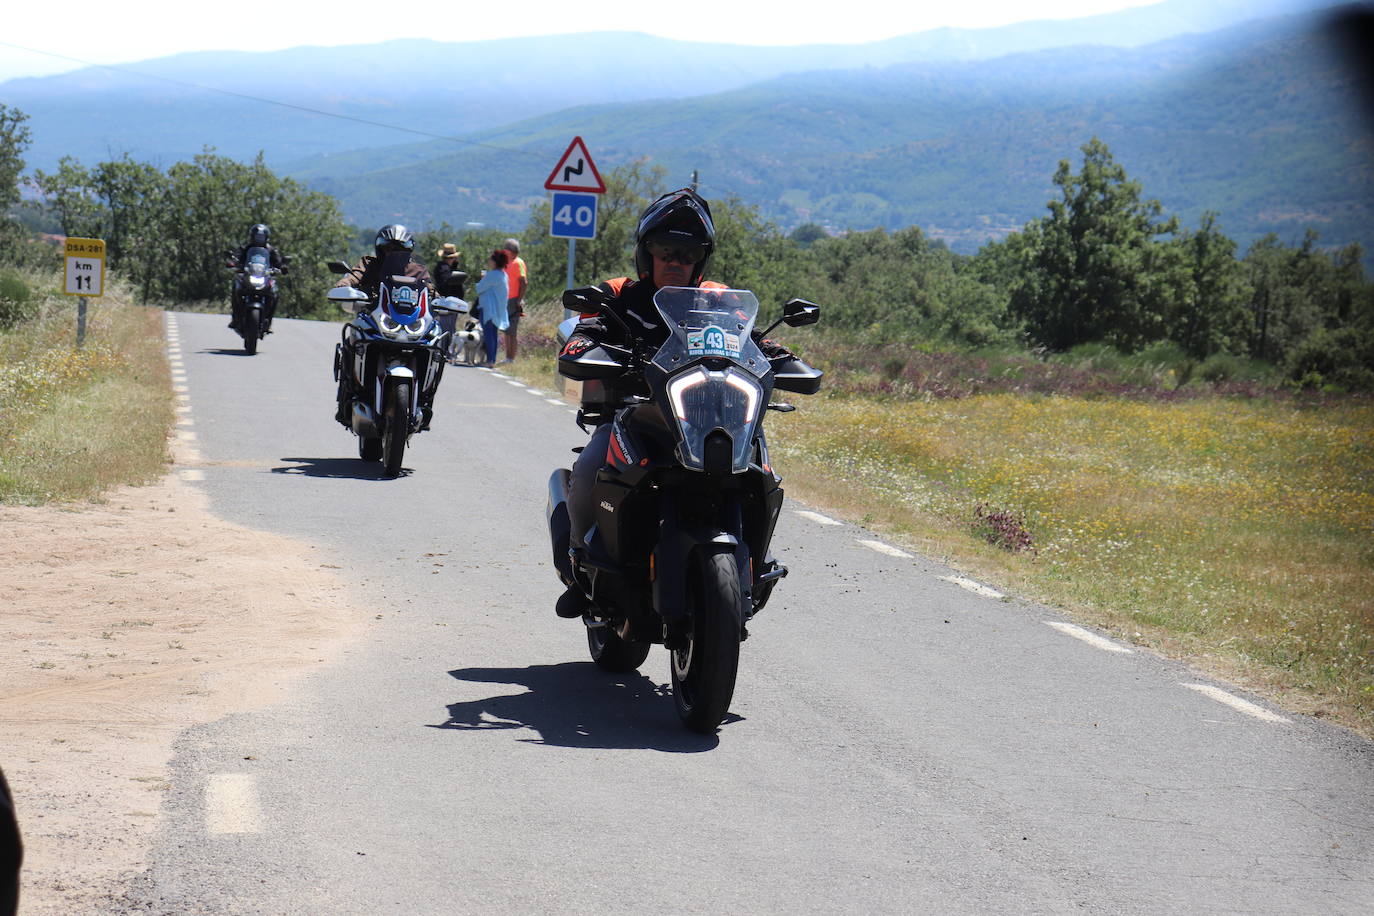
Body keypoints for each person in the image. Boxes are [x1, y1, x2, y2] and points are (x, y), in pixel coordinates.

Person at [555, 188, 799, 619]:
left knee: (764, 473)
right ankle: (580, 564)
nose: (674, 260)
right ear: (645, 253)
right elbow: (585, 330)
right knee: (592, 465)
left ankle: (753, 565)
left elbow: (755, 342)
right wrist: (583, 346)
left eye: (686, 252)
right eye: (664, 250)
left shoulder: (719, 300)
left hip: (712, 419)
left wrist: (785, 360)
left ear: (699, 259)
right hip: (637, 416)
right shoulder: (620, 294)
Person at [333, 225, 434, 424]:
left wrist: (440, 299)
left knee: (435, 344)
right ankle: (348, 394)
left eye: (399, 250)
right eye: (388, 249)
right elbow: (355, 276)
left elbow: (430, 290)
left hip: (407, 323)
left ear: (408, 252)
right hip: (375, 317)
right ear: (381, 250)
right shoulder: (369, 264)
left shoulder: (418, 271)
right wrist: (345, 285)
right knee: (353, 339)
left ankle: (424, 398)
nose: (393, 254)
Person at [228, 223, 287, 331]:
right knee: (236, 287)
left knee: (275, 293)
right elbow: (237, 256)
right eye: (257, 237)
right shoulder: (246, 248)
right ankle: (235, 317)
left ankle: (268, 320)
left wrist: (282, 266)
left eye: (262, 237)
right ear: (252, 236)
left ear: (266, 238)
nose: (259, 239)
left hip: (264, 276)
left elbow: (278, 261)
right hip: (248, 275)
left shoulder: (271, 250)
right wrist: (233, 262)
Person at [472, 250, 510, 368]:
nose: (489, 261)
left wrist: (483, 278)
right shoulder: (504, 275)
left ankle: (489, 361)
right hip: (498, 310)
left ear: (495, 262)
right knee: (493, 335)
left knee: (488, 334)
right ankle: (492, 359)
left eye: (491, 259)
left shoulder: (492, 275)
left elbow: (479, 288)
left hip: (489, 309)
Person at [433, 243, 468, 363]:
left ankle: (446, 351)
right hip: (447, 303)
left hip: (452, 304)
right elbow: (446, 282)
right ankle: (443, 351)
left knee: (450, 328)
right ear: (450, 258)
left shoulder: (448, 268)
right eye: (454, 258)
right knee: (446, 328)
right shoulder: (443, 269)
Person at [501, 238, 527, 363]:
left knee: (512, 331)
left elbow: (523, 282)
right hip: (505, 299)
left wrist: (519, 300)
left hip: (513, 300)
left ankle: (511, 358)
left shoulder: (518, 263)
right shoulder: (505, 263)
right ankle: (508, 357)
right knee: (507, 330)